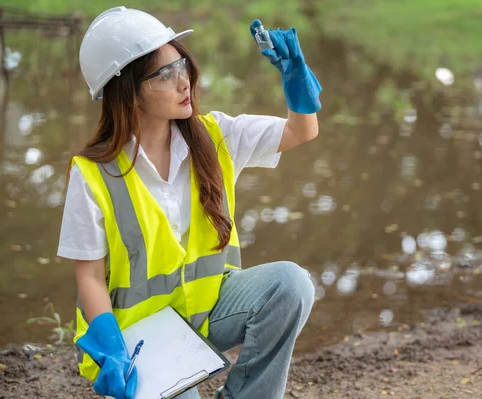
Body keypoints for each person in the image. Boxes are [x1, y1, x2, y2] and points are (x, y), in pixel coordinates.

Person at [57, 6, 321, 399]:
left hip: (211, 312)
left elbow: (301, 131)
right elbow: (90, 278)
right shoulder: (94, 173)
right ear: (129, 91)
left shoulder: (216, 136)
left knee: (290, 284)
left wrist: (296, 81)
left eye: (181, 66)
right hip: (143, 342)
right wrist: (111, 349)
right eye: (165, 75)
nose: (185, 83)